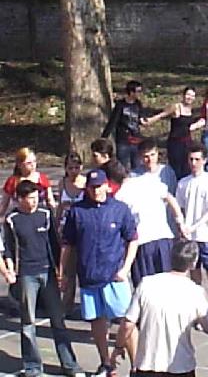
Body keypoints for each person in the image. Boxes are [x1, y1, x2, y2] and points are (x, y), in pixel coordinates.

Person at [60, 169, 139, 376]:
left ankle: (137, 366)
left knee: (127, 321)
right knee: (97, 321)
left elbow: (133, 239)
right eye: (92, 187)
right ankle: (106, 364)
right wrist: (62, 272)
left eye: (99, 186)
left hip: (114, 277)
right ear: (87, 188)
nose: (95, 191)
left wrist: (126, 268)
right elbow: (67, 244)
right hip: (89, 276)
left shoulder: (120, 209)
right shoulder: (77, 211)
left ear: (107, 185)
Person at [3, 181, 85, 377]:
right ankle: (33, 367)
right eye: (29, 198)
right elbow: (8, 249)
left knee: (58, 320)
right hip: (26, 275)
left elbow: (55, 245)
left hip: (48, 273)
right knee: (28, 323)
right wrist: (10, 271)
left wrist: (61, 272)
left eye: (35, 198)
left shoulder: (45, 215)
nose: (33, 202)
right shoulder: (12, 220)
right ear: (20, 199)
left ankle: (70, 364)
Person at [109, 240, 208, 377]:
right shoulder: (196, 292)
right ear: (193, 263)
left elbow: (128, 323)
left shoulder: (146, 284)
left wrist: (118, 347)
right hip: (181, 365)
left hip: (147, 364)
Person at [116, 170, 186, 287]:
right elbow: (170, 199)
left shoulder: (121, 192)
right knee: (169, 284)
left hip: (142, 244)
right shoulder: (151, 180)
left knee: (145, 287)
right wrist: (180, 223)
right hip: (164, 240)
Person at [176, 143, 208, 312]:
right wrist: (181, 226)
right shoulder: (183, 183)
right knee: (195, 282)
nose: (193, 163)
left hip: (207, 238)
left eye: (197, 159)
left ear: (204, 160)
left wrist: (193, 227)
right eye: (191, 159)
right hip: (190, 241)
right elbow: (180, 208)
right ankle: (200, 313)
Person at [145, 86, 199, 180]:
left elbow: (188, 127)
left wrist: (198, 124)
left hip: (187, 143)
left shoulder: (191, 110)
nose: (189, 97)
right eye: (188, 95)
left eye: (192, 96)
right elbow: (162, 115)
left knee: (187, 168)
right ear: (183, 95)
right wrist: (150, 120)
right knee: (175, 168)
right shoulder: (177, 107)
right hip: (175, 143)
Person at [56, 152, 86, 314]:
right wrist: (56, 224)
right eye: (70, 168)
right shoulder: (62, 183)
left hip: (82, 229)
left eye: (76, 167)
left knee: (84, 268)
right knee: (68, 270)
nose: (73, 171)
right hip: (66, 229)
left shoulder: (86, 183)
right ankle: (66, 305)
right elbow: (60, 207)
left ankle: (87, 305)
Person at [102, 80, 148, 170]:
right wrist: (104, 137)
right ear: (131, 92)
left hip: (136, 140)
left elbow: (141, 119)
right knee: (122, 167)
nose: (140, 94)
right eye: (138, 91)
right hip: (123, 141)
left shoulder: (138, 104)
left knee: (137, 166)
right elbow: (113, 122)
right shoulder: (120, 105)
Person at [0, 147, 57, 219]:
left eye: (34, 161)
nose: (33, 165)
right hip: (20, 217)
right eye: (29, 163)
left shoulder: (42, 178)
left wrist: (54, 216)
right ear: (19, 165)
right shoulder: (12, 181)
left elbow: (50, 200)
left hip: (39, 215)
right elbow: (4, 205)